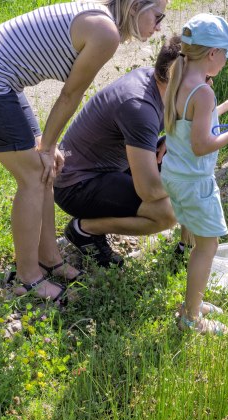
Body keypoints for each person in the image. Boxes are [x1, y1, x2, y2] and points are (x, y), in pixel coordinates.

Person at [0, 0, 168, 303]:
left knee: (48, 170)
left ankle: (50, 258)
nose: (159, 26)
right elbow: (70, 93)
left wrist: (49, 147)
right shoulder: (106, 33)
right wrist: (48, 146)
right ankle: (27, 277)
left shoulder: (102, 19)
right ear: (135, 7)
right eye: (157, 16)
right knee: (35, 175)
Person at [162, 14, 228, 335]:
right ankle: (191, 318)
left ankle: (194, 301)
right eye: (226, 54)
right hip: (196, 182)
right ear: (212, 54)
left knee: (203, 244)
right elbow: (203, 144)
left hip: (176, 175)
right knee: (208, 247)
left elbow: (194, 122)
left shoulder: (181, 80)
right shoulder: (202, 92)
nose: (227, 61)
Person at [55, 35, 182, 268]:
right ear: (177, 75)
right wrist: (188, 188)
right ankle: (84, 229)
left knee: (179, 161)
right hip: (77, 185)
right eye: (203, 77)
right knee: (167, 212)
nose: (209, 84)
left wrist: (172, 140)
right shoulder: (139, 106)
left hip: (109, 168)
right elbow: (150, 190)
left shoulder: (157, 83)